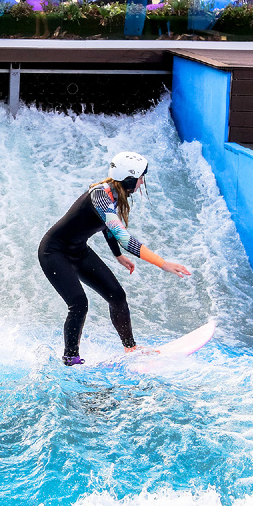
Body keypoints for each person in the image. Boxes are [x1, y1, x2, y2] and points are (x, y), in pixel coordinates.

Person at [39, 151, 191, 366]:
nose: (141, 182)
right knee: (79, 303)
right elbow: (124, 238)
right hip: (54, 253)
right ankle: (70, 359)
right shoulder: (100, 195)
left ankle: (131, 348)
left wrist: (117, 255)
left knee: (117, 296)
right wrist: (163, 263)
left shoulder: (114, 193)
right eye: (140, 178)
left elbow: (106, 226)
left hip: (78, 250)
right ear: (129, 179)